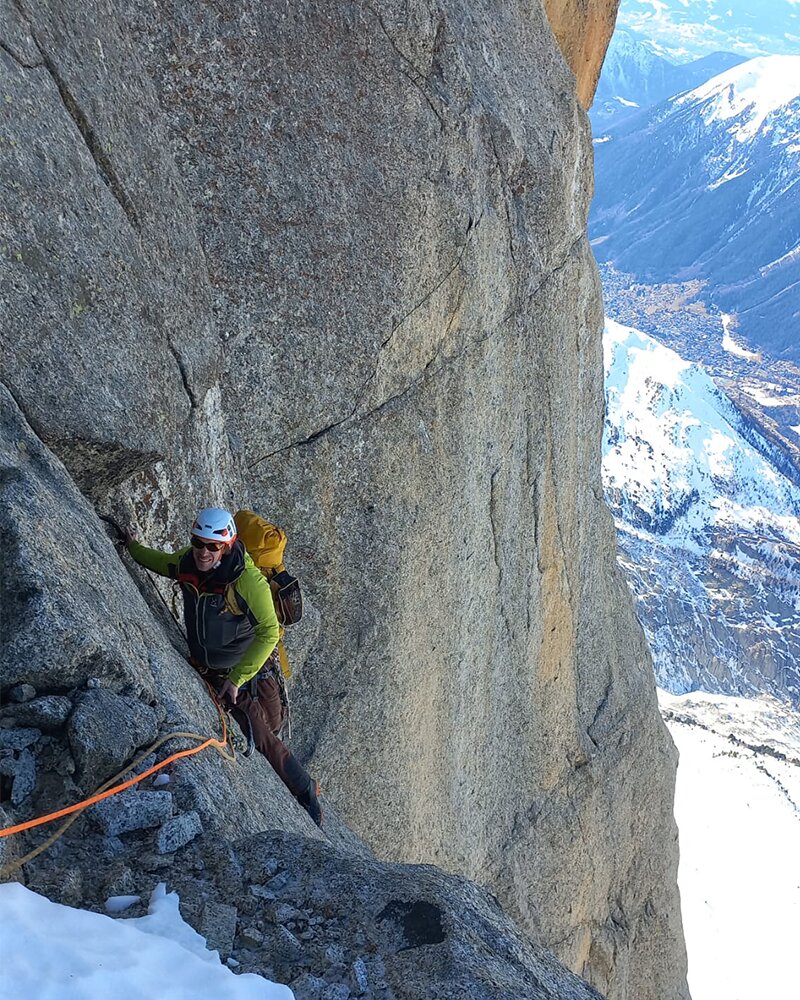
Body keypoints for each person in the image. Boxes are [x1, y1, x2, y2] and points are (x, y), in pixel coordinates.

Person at [124, 506, 322, 826]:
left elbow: (270, 632)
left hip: (239, 673)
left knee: (261, 733)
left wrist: (236, 678)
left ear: (227, 546)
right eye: (199, 542)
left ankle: (304, 789)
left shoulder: (247, 581)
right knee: (261, 728)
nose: (204, 551)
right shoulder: (190, 562)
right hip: (209, 668)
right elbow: (163, 563)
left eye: (212, 546)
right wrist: (133, 548)